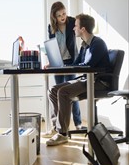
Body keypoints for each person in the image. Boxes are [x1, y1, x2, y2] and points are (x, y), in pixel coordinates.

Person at [46, 13, 112, 146]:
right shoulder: (84, 45)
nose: (73, 28)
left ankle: (63, 134)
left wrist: (72, 66)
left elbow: (88, 65)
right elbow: (76, 63)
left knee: (63, 92)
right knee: (53, 90)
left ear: (83, 29)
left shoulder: (97, 44)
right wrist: (59, 65)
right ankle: (58, 127)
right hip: (87, 80)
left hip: (98, 82)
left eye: (76, 26)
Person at [43, 1, 82, 138]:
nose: (62, 17)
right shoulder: (51, 27)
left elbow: (80, 28)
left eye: (64, 13)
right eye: (59, 15)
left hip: (71, 62)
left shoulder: (72, 22)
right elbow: (52, 47)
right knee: (56, 94)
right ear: (54, 17)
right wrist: (50, 62)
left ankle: (78, 123)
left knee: (71, 93)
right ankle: (56, 126)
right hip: (58, 63)